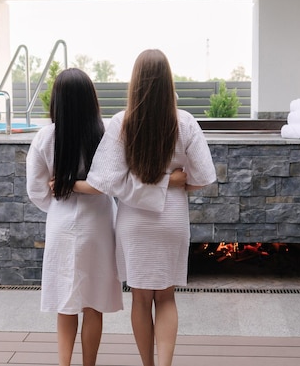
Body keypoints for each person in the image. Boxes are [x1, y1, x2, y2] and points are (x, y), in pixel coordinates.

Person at [79, 49, 217, 366]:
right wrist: (171, 181)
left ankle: (148, 364)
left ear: (135, 82)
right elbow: (202, 177)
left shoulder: (120, 123)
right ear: (169, 82)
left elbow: (104, 180)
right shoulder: (185, 122)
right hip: (172, 218)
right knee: (166, 296)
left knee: (141, 299)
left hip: (134, 222)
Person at [26, 68, 123, 366]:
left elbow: (36, 190)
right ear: (91, 99)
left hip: (62, 225)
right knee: (93, 303)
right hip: (98, 225)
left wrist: (59, 204)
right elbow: (112, 182)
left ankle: (64, 363)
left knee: (66, 302)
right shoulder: (105, 133)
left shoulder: (46, 137)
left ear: (57, 101)